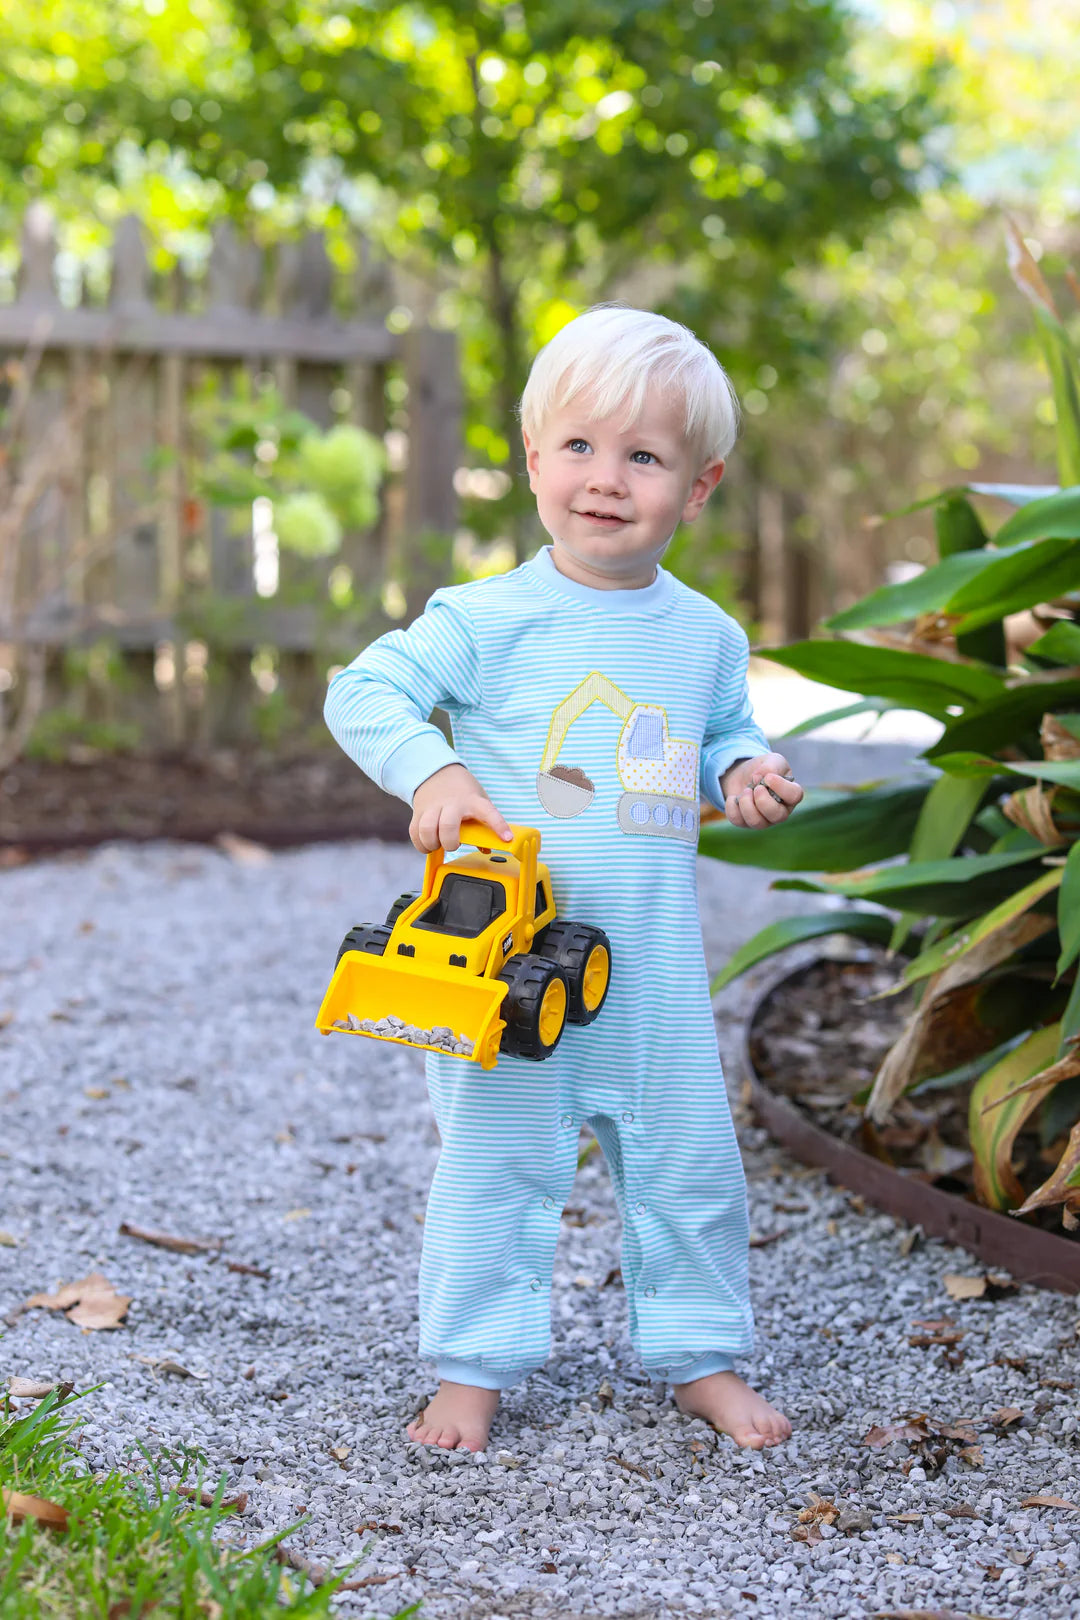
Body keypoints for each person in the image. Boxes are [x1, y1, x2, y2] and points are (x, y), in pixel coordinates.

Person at [323, 303, 803, 1455]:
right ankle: (472, 1370)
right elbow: (362, 691)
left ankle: (702, 1355)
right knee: (497, 1172)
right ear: (533, 460)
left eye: (645, 456)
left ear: (698, 487)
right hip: (508, 964)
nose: (606, 478)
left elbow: (722, 731)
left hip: (649, 975)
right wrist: (432, 772)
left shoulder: (706, 638)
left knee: (690, 1169)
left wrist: (743, 770)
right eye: (580, 446)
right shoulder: (489, 619)